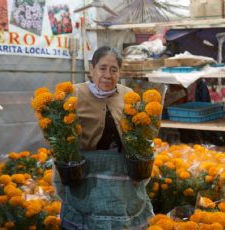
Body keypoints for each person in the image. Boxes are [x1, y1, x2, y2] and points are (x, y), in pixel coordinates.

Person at [54, 46, 154, 229]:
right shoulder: (73, 94)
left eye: (113, 70)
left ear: (119, 73)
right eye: (102, 68)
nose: (108, 75)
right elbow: (57, 135)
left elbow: (140, 133)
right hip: (85, 177)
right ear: (92, 69)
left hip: (121, 179)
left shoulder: (129, 95)